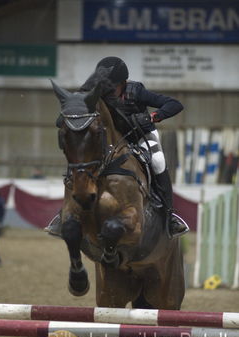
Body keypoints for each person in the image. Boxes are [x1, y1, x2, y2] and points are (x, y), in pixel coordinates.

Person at [46, 57, 189, 238]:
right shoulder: (95, 94)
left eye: (113, 86)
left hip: (141, 136)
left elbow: (175, 104)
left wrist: (153, 117)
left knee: (158, 161)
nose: (109, 91)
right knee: (82, 159)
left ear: (123, 82)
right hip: (113, 141)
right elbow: (62, 120)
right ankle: (64, 214)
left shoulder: (136, 91)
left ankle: (169, 216)